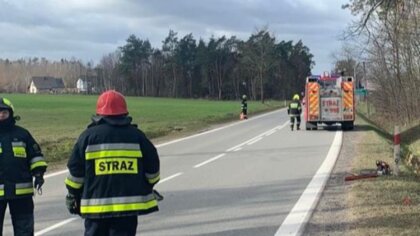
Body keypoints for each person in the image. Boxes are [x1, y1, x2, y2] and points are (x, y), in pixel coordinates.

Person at [65, 90, 160, 236]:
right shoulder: (137, 136)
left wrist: (73, 194)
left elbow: (75, 173)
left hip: (95, 210)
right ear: (124, 112)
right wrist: (147, 185)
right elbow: (153, 170)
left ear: (99, 113)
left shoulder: (87, 137)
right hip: (128, 210)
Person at [0, 97, 47, 235]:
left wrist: (38, 173)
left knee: (24, 230)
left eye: (4, 112)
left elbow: (35, 156)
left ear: (11, 113)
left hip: (21, 193)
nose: (1, 115)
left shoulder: (22, 134)